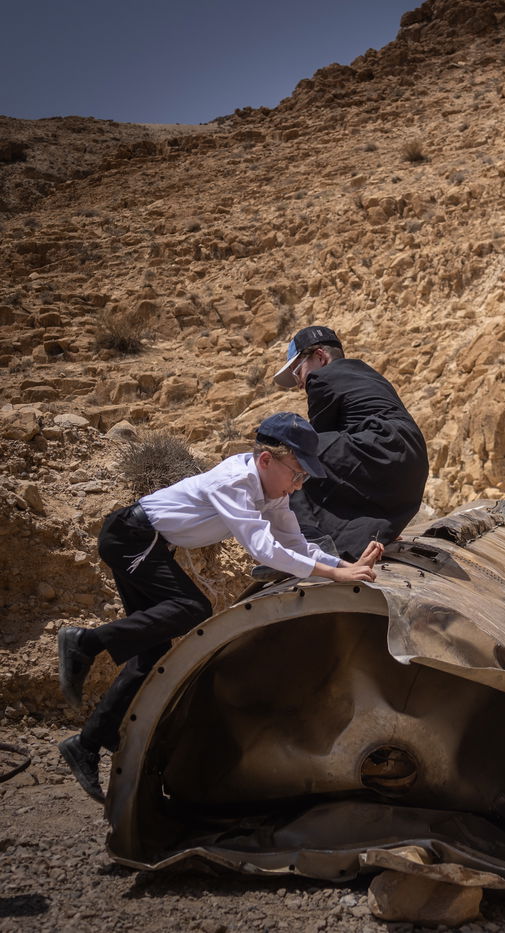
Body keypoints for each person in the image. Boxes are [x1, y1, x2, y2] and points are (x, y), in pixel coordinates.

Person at [56, 412, 384, 802]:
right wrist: (334, 577)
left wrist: (348, 567)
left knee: (151, 654)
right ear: (266, 460)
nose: (299, 485)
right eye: (297, 473)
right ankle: (85, 643)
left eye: (305, 478)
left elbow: (294, 545)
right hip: (132, 536)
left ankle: (87, 745)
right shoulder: (236, 482)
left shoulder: (272, 494)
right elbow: (262, 550)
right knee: (191, 608)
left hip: (148, 544)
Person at [271, 325, 429, 561]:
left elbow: (313, 446)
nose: (299, 383)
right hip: (411, 460)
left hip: (379, 444)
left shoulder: (321, 378)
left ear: (320, 356)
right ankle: (360, 539)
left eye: (297, 372)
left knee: (293, 457)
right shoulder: (366, 373)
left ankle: (303, 547)